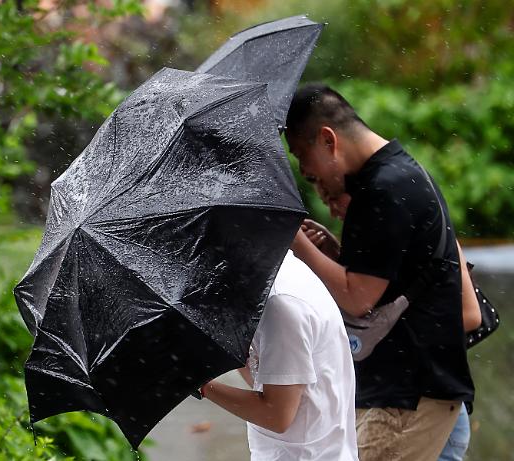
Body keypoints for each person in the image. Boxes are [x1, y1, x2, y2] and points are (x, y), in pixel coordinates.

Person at [285, 83, 475, 461]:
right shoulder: (398, 174)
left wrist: (297, 244)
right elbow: (390, 281)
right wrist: (332, 252)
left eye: (303, 159)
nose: (307, 172)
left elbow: (358, 298)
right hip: (422, 392)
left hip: (407, 399)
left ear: (327, 139)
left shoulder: (384, 189)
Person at [302, 192, 480, 461]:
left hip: (428, 407)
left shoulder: (432, 241)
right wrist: (333, 254)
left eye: (336, 199)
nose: (333, 210)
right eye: (327, 201)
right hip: (392, 401)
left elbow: (470, 317)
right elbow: (374, 310)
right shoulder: (379, 247)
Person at [199, 250, 359, 461]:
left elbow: (276, 415)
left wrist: (201, 385)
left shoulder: (280, 306)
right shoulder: (287, 270)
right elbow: (269, 382)